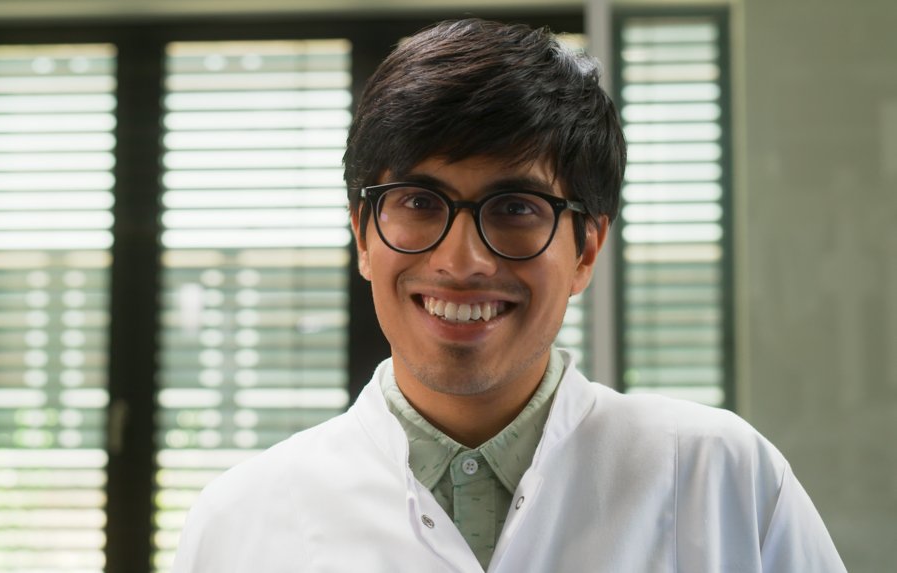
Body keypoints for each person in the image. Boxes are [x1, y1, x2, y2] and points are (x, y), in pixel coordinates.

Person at [174, 18, 845, 572]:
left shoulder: (719, 479)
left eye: (515, 207)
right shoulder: (240, 523)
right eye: (416, 201)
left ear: (585, 248)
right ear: (362, 234)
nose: (460, 261)